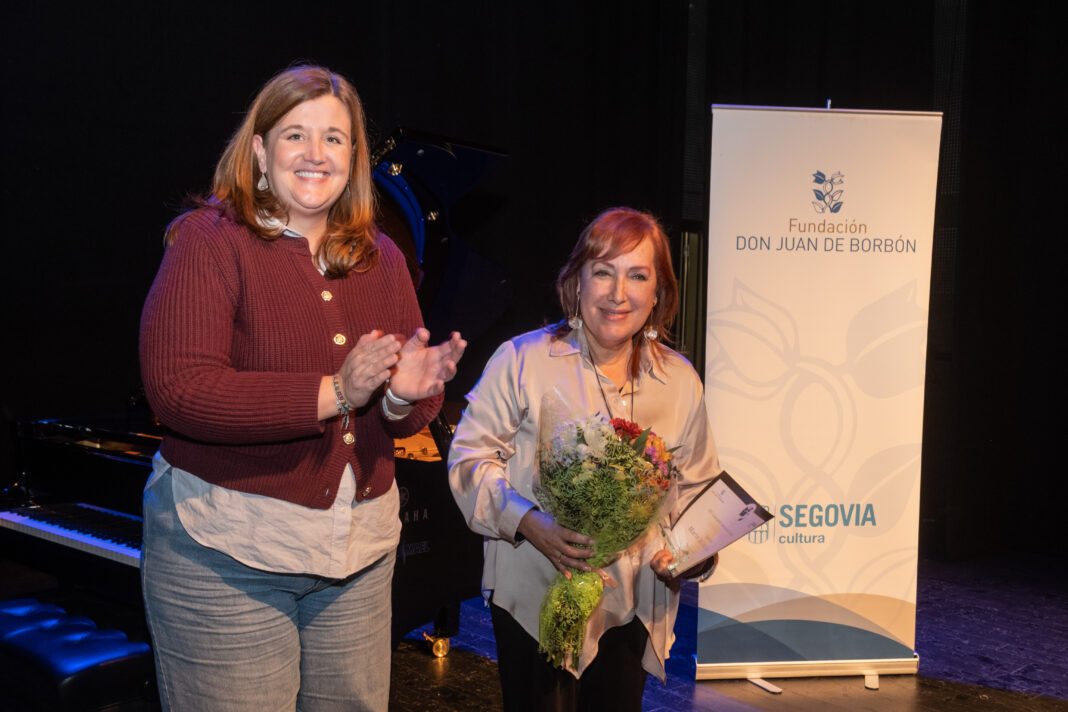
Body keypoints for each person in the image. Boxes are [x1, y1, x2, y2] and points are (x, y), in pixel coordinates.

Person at [139, 65, 465, 712]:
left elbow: (407, 412)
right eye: (296, 135)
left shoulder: (383, 258)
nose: (316, 153)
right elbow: (182, 390)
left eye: (334, 139)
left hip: (360, 558)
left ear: (354, 158)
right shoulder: (209, 241)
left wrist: (404, 396)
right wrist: (337, 392)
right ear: (260, 152)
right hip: (226, 554)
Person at [448, 207, 721, 711]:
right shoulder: (521, 360)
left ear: (658, 294)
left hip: (633, 604)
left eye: (637, 276)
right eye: (603, 272)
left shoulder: (681, 381)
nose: (618, 294)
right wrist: (528, 522)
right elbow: (469, 460)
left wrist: (693, 552)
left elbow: (700, 491)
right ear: (576, 284)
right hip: (535, 597)